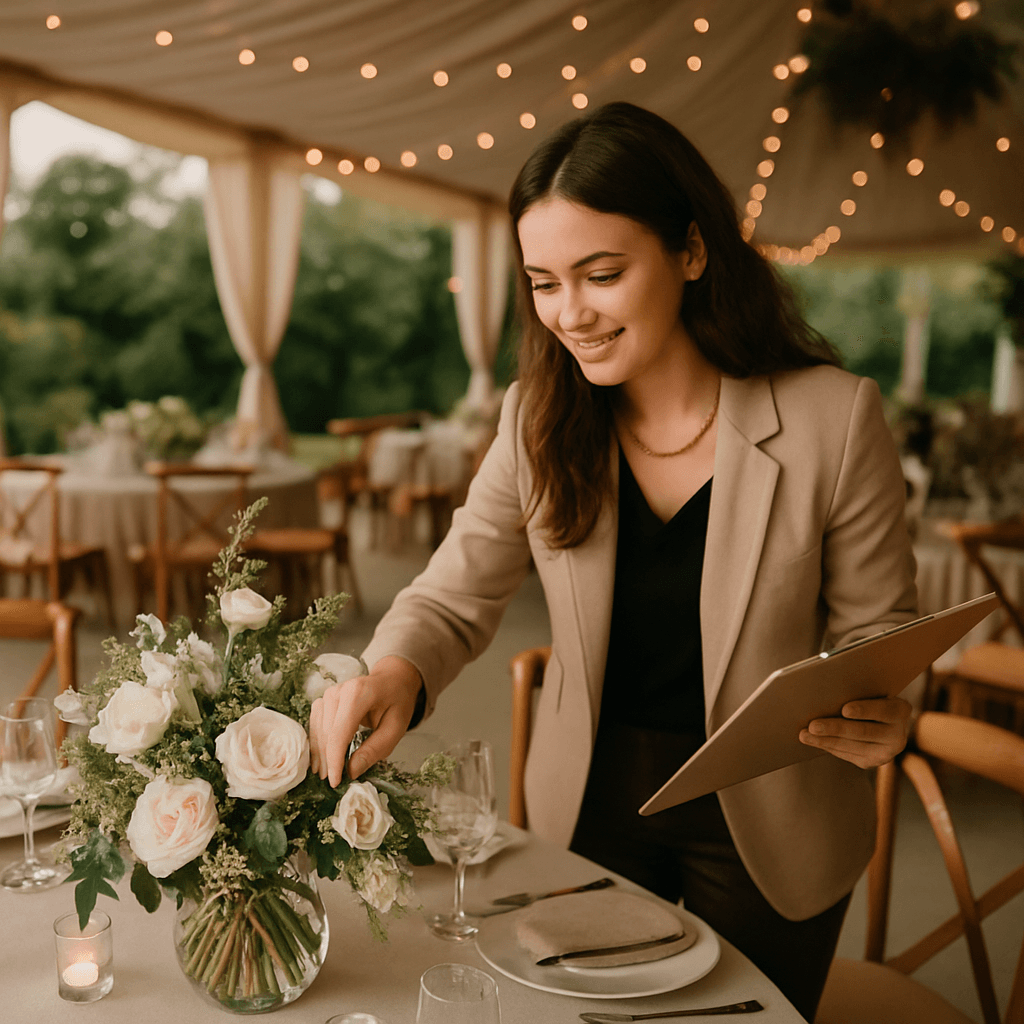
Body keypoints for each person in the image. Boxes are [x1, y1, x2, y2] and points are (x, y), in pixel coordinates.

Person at [309, 101, 917, 1020]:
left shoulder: (833, 417)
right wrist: (393, 670)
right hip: (590, 802)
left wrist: (881, 709)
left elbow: (882, 630)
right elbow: (453, 592)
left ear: (692, 251)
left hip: (775, 806)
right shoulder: (536, 416)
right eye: (543, 283)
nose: (571, 314)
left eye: (602, 275)